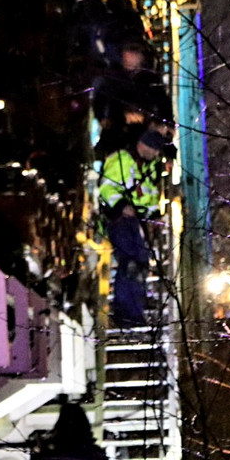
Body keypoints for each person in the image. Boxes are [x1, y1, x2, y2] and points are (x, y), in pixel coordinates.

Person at [98, 128, 166, 327]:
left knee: (140, 265)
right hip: (119, 220)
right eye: (154, 150)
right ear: (143, 146)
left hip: (136, 221)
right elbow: (106, 188)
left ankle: (133, 312)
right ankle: (126, 314)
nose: (156, 155)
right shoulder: (121, 160)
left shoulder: (147, 167)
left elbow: (148, 195)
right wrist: (121, 206)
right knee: (130, 264)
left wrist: (154, 214)